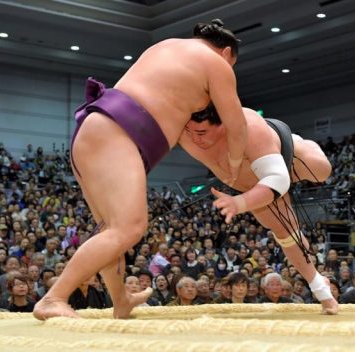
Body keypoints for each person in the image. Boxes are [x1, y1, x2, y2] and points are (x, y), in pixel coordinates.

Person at [33, 18, 247, 320]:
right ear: (226, 53)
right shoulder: (217, 63)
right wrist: (234, 166)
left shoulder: (167, 46)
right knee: (129, 227)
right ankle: (54, 297)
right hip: (118, 133)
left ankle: (121, 300)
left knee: (110, 230)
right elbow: (236, 125)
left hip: (95, 129)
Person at [179, 105, 338, 314]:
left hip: (282, 157)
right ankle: (321, 289)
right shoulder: (181, 130)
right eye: (190, 132)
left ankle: (298, 142)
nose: (195, 139)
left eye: (201, 132)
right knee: (284, 231)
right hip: (247, 182)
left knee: (322, 170)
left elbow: (278, 180)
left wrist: (240, 203)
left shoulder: (248, 126)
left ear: (222, 125)